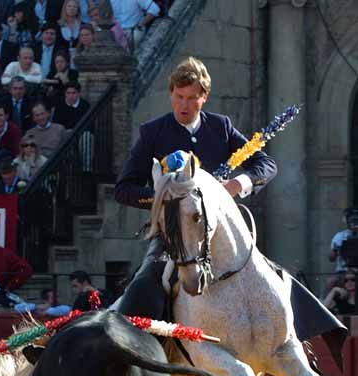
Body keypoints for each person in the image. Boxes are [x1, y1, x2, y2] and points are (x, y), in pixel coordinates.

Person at [114, 56, 277, 318]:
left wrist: (237, 184)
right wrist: (163, 197)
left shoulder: (221, 127)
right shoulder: (153, 132)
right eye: (179, 96)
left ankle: (297, 341)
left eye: (191, 98)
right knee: (144, 284)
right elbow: (123, 189)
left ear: (205, 97)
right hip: (173, 235)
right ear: (171, 94)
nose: (184, 105)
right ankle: (131, 342)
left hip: (223, 232)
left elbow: (266, 164)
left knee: (273, 278)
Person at [327, 207, 358, 290]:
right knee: (331, 282)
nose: (354, 222)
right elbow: (331, 259)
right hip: (342, 272)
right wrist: (335, 248)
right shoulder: (339, 236)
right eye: (352, 220)